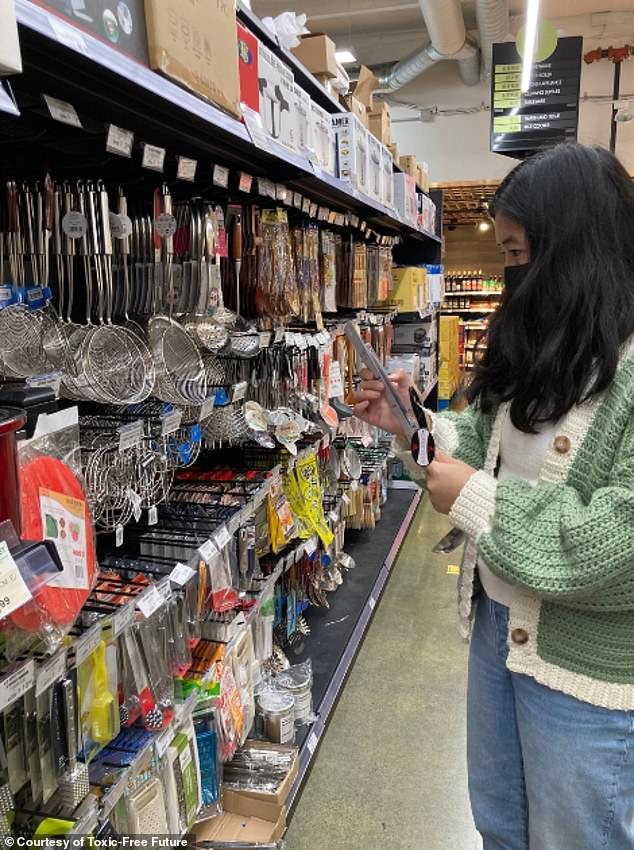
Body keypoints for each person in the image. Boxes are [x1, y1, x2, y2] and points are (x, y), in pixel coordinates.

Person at [353, 143, 634, 850]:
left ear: (572, 250)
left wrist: (476, 497)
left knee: (578, 837)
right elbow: (479, 449)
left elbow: (618, 539)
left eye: (517, 254)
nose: (512, 274)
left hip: (588, 672)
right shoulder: (547, 346)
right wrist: (413, 428)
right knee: (500, 824)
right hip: (496, 632)